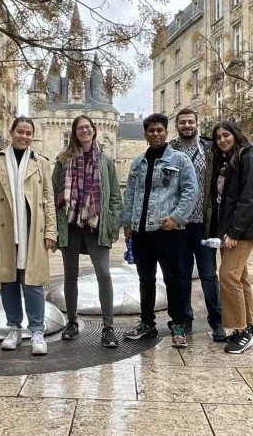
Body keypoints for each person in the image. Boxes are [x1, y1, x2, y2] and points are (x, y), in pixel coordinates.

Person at [0, 116, 57, 356]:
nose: (24, 136)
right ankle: (13, 327)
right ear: (12, 132)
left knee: (33, 282)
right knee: (8, 281)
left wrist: (51, 231)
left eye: (28, 133)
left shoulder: (41, 163)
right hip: (5, 229)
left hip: (33, 229)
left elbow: (48, 198)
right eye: (20, 132)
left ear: (32, 136)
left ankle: (37, 330)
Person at [122, 113, 198, 348]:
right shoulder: (137, 162)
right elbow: (131, 194)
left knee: (172, 279)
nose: (155, 134)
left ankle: (178, 325)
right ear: (145, 134)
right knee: (145, 279)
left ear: (166, 132)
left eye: (159, 130)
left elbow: (190, 191)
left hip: (167, 230)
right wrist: (127, 223)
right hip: (141, 230)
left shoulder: (180, 160)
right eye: (151, 131)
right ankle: (147, 323)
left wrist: (176, 218)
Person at [52, 114, 122, 348]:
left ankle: (108, 327)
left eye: (88, 127)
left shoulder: (106, 161)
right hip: (70, 225)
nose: (84, 131)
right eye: (80, 128)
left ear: (94, 129)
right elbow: (53, 196)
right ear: (74, 132)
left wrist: (112, 226)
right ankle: (72, 322)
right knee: (70, 275)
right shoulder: (63, 160)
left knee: (104, 274)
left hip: (96, 225)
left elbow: (114, 197)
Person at [210, 120, 253, 354]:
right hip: (230, 229)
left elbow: (250, 196)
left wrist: (235, 231)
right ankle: (252, 326)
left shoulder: (249, 156)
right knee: (240, 277)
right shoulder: (231, 160)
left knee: (227, 276)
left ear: (235, 134)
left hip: (241, 229)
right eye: (218, 137)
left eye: (226, 135)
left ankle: (239, 330)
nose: (222, 140)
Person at [169, 108, 225, 341]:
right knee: (181, 275)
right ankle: (185, 320)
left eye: (191, 122)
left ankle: (217, 322)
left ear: (197, 124)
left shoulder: (209, 148)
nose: (187, 126)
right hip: (179, 225)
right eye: (183, 122)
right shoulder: (169, 150)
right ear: (177, 126)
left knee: (209, 275)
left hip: (204, 223)